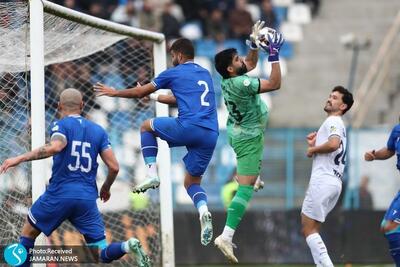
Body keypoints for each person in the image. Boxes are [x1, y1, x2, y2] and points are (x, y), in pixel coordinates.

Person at [0, 88, 150, 267]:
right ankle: (127, 245)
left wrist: (19, 158)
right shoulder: (98, 131)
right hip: (86, 198)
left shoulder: (61, 125)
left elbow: (56, 147)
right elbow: (114, 167)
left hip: (60, 193)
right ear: (82, 105)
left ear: (59, 106)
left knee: (28, 235)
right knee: (100, 253)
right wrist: (106, 187)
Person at [93, 38, 219, 246]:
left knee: (145, 126)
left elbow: (140, 91)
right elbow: (182, 98)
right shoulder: (204, 73)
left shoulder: (174, 72)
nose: (171, 60)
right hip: (210, 133)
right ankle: (203, 211)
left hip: (190, 126)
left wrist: (114, 92)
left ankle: (152, 174)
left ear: (178, 55)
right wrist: (155, 98)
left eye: (172, 56)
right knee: (192, 183)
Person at [213, 20, 284, 263]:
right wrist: (273, 54)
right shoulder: (241, 83)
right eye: (236, 60)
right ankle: (226, 235)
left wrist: (254, 44)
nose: (241, 60)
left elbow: (251, 62)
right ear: (231, 70)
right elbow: (275, 83)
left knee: (250, 177)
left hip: (238, 131)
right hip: (249, 137)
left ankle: (251, 176)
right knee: (245, 189)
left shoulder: (229, 78)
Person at [302, 86, 354, 267]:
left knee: (308, 228)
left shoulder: (334, 120)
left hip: (323, 180)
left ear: (343, 107)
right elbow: (333, 146)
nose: (330, 99)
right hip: (334, 181)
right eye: (330, 96)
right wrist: (316, 143)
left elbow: (333, 144)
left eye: (335, 98)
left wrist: (313, 149)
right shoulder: (339, 124)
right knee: (314, 228)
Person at [364, 120, 400, 265]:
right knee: (386, 225)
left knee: (391, 226)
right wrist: (375, 155)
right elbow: (390, 150)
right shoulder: (397, 130)